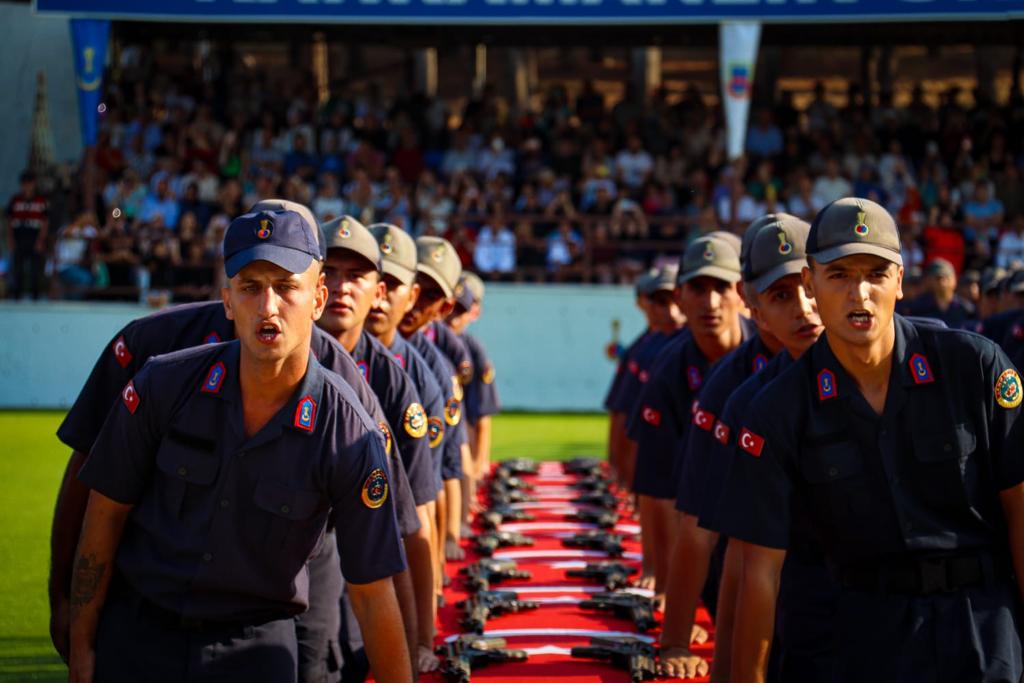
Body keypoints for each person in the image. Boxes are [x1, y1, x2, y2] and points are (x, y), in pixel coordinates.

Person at [50, 200, 421, 683]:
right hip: (139, 635)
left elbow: (373, 591)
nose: (268, 307)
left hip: (254, 648)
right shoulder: (162, 385)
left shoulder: (347, 428)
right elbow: (104, 518)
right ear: (227, 300)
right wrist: (81, 645)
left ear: (318, 299)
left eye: (287, 287)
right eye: (250, 288)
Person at [719, 197, 1024, 683]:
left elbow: (1021, 514)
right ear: (810, 284)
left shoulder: (972, 368)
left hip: (982, 631)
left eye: (876, 274)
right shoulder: (777, 411)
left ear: (900, 282)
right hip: (863, 637)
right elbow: (760, 573)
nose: (859, 293)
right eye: (839, 275)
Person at [659, 215, 827, 680]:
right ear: (752, 303)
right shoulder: (735, 395)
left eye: (809, 286)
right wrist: (679, 641)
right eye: (780, 294)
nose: (804, 307)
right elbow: (717, 538)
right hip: (791, 599)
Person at [315, 215, 438, 675]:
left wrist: (419, 639)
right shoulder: (268, 359)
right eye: (330, 271)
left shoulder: (391, 382)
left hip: (358, 577)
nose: (341, 287)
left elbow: (414, 522)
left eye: (356, 275)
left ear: (379, 291)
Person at [628, 235, 753, 598]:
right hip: (698, 522)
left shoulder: (773, 357)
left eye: (721, 288)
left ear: (741, 292)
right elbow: (657, 491)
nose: (710, 302)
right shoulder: (667, 372)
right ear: (681, 297)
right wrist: (667, 587)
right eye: (697, 289)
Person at [397, 237, 470, 571]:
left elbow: (444, 472)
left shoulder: (436, 375)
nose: (415, 303)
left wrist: (445, 548)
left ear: (444, 307)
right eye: (413, 285)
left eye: (430, 295)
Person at [446, 272, 502, 529]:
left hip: (461, 441)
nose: (452, 317)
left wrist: (480, 466)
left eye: (461, 310)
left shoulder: (472, 350)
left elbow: (481, 416)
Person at [6, 170, 49, 299]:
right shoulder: (15, 200)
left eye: (29, 183)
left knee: (35, 269)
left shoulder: (41, 201)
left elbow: (45, 222)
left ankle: (35, 296)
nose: (27, 186)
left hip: (34, 236)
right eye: (24, 183)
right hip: (19, 236)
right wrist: (10, 239)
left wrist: (41, 240)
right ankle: (16, 296)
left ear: (34, 184)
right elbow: (9, 221)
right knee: (17, 268)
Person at [904, 258, 974, 328]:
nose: (943, 282)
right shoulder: (918, 307)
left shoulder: (967, 309)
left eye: (946, 277)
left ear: (954, 279)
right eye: (938, 278)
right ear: (930, 281)